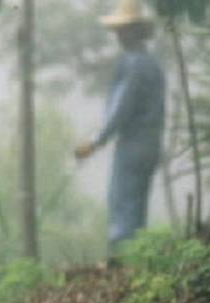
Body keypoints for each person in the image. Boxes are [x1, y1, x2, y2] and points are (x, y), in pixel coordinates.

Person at [75, 0, 166, 254]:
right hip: (150, 144)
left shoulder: (134, 64)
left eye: (124, 30)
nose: (119, 35)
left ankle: (122, 261)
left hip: (134, 145)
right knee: (135, 205)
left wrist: (94, 142)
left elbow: (121, 109)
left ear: (135, 31)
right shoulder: (151, 64)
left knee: (122, 202)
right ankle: (134, 262)